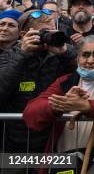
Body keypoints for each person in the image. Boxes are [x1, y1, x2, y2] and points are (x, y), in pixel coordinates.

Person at [23, 35, 94, 174]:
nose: (90, 60)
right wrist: (57, 106)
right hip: (62, 158)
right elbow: (31, 111)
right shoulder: (64, 81)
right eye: (85, 55)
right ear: (78, 58)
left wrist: (87, 106)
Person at [0, 9, 77, 154]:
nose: (48, 36)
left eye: (51, 31)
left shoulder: (62, 53)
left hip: (52, 138)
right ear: (24, 35)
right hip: (14, 140)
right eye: (43, 32)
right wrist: (22, 55)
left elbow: (85, 75)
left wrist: (65, 53)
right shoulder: (9, 55)